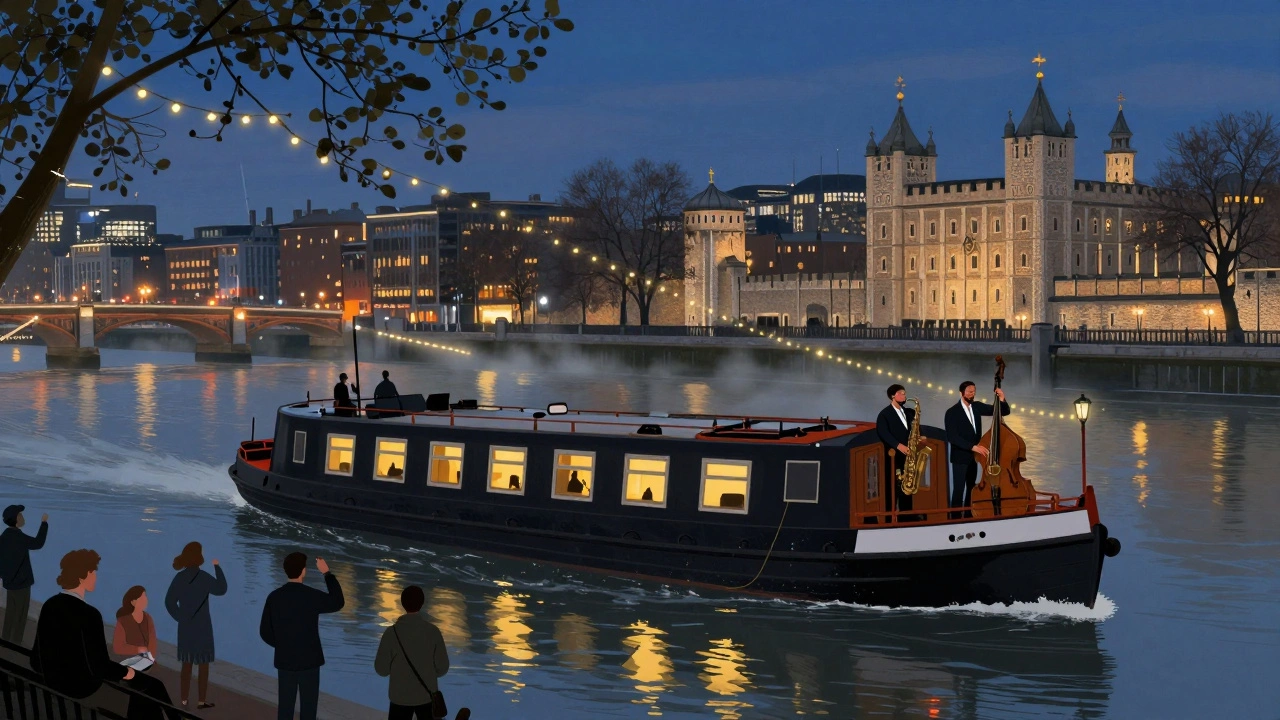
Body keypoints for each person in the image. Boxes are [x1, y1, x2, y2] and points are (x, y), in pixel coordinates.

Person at [31, 549, 176, 720]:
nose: (96, 577)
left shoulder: (50, 605)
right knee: (151, 687)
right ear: (82, 576)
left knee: (143, 689)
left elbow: (36, 660)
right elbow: (99, 666)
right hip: (81, 688)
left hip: (54, 681)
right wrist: (128, 672)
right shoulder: (89, 614)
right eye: (93, 572)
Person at [260, 552, 345, 720]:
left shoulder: (274, 597)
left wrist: (283, 645)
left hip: (285, 660)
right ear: (303, 571)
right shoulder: (311, 596)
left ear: (285, 571)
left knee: (285, 707)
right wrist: (327, 574)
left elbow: (265, 632)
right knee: (309, 708)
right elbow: (338, 602)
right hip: (310, 661)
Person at [164, 542, 227, 710]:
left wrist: (180, 618)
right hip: (203, 627)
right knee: (203, 665)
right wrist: (217, 567)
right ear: (199, 557)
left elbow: (169, 602)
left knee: (186, 664)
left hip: (186, 627)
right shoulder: (205, 577)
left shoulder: (179, 577)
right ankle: (201, 701)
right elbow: (222, 589)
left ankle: (184, 700)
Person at [374, 585, 450, 720]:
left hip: (399, 698)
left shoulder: (391, 633)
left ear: (402, 603)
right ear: (422, 603)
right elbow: (442, 668)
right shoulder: (433, 632)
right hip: (427, 697)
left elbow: (381, 670)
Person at [944, 382, 1010, 517]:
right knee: (958, 489)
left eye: (973, 391)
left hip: (974, 457)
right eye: (969, 392)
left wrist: (1002, 398)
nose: (971, 394)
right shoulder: (952, 412)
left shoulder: (977, 407)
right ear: (961, 393)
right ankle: (954, 519)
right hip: (960, 457)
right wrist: (973, 447)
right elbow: (952, 436)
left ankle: (968, 516)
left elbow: (1002, 411)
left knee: (971, 488)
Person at [0, 504, 48, 645]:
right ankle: (15, 642)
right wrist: (44, 523)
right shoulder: (19, 538)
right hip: (22, 584)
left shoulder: (3, 537)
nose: (22, 517)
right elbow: (38, 543)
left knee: (10, 612)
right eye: (20, 515)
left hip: (9, 583)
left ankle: (5, 640)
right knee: (20, 615)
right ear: (16, 519)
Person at [875, 384, 921, 522]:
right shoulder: (884, 414)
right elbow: (883, 433)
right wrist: (898, 445)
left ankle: (907, 516)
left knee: (909, 485)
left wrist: (921, 437)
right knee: (893, 487)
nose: (904, 396)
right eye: (901, 393)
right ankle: (890, 518)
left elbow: (916, 428)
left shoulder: (909, 412)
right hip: (893, 457)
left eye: (905, 393)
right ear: (892, 396)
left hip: (909, 455)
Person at [113, 586, 159, 660]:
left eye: (146, 597)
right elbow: (118, 647)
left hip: (145, 660)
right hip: (127, 659)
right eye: (142, 597)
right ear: (133, 602)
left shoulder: (148, 618)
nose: (146, 600)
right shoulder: (122, 621)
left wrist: (151, 658)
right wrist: (138, 649)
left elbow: (152, 643)